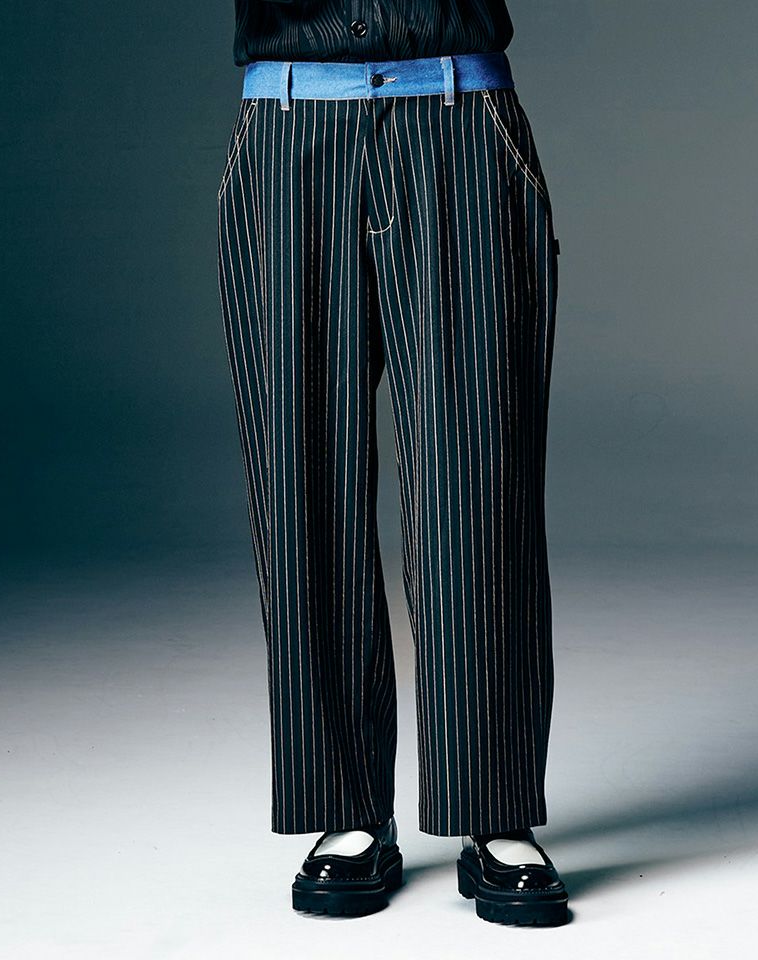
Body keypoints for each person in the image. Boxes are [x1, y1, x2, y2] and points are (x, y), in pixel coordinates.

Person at [217, 0, 567, 926]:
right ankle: (346, 806)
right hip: (293, 127)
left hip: (459, 119)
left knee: (476, 480)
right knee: (301, 478)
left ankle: (493, 804)